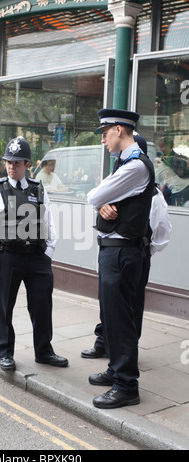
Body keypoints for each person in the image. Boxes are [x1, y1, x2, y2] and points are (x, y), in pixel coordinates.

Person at [0, 136, 68, 371]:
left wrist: (48, 254)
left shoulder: (38, 189)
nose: (11, 166)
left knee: (42, 306)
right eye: (8, 161)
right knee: (4, 306)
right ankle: (5, 352)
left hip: (37, 258)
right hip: (8, 256)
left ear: (27, 165)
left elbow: (49, 224)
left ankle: (44, 351)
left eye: (16, 163)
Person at [86, 109, 155, 409]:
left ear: (118, 130)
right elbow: (102, 200)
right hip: (115, 250)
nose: (103, 140)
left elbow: (92, 196)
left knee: (121, 319)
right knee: (112, 316)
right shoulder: (123, 163)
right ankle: (116, 369)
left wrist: (100, 201)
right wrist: (103, 204)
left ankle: (126, 385)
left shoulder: (136, 166)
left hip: (123, 252)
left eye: (104, 134)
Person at [81, 133, 172, 360]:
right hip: (114, 252)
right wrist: (101, 206)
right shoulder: (118, 186)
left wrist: (143, 251)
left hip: (135, 253)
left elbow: (162, 232)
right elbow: (93, 198)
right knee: (109, 304)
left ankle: (124, 356)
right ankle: (104, 343)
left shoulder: (152, 194)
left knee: (129, 308)